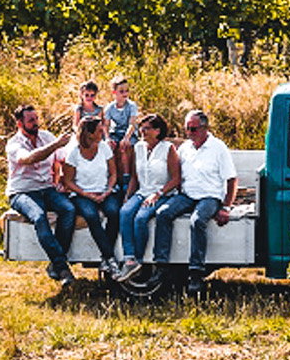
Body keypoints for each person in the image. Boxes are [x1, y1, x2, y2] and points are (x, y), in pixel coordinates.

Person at [151, 109, 237, 295]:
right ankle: (161, 266)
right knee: (163, 213)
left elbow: (231, 179)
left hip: (210, 196)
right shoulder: (185, 148)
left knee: (197, 221)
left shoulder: (218, 148)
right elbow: (176, 174)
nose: (189, 133)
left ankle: (196, 272)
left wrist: (226, 207)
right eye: (187, 129)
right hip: (187, 195)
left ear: (205, 128)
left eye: (193, 129)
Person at [6, 104, 77, 286]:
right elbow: (29, 158)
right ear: (20, 124)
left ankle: (55, 263)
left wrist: (64, 179)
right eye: (31, 120)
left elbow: (64, 157)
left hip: (47, 188)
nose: (36, 123)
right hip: (22, 191)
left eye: (36, 119)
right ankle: (62, 268)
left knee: (69, 209)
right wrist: (56, 145)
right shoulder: (14, 143)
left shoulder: (46, 136)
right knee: (38, 217)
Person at [114, 112, 181, 281]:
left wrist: (158, 194)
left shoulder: (168, 149)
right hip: (142, 191)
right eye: (141, 128)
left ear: (158, 131)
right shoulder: (138, 148)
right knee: (125, 212)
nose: (142, 131)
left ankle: (138, 258)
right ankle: (129, 259)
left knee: (141, 218)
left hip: (162, 193)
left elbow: (176, 179)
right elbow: (135, 176)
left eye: (147, 128)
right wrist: (128, 195)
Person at [60, 117, 122, 275]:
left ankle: (105, 260)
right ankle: (110, 257)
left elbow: (113, 173)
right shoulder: (74, 153)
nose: (103, 132)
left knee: (114, 212)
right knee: (91, 215)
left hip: (104, 190)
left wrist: (108, 190)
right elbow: (68, 181)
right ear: (89, 134)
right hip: (82, 193)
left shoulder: (104, 148)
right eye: (100, 130)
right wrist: (85, 194)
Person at [104, 75, 140, 191]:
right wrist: (108, 138)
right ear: (114, 92)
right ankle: (112, 177)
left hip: (129, 133)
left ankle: (126, 178)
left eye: (127, 91)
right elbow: (106, 125)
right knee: (109, 147)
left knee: (124, 147)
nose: (125, 94)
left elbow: (132, 124)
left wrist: (126, 138)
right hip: (116, 132)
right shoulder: (110, 108)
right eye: (121, 91)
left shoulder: (131, 106)